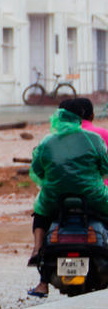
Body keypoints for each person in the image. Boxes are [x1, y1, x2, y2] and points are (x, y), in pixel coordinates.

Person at [26, 97, 108, 297]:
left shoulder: (47, 141)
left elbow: (37, 170)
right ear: (80, 117)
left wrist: (53, 180)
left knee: (40, 213)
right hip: (93, 197)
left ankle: (37, 252)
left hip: (54, 198)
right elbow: (105, 166)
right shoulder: (93, 139)